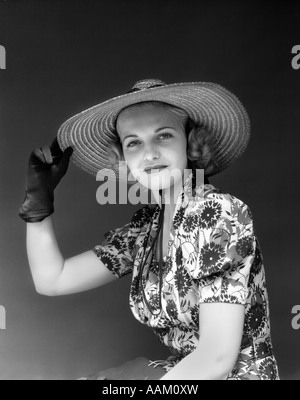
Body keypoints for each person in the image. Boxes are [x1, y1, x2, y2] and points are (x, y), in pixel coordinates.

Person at [18, 78, 279, 380]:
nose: (149, 153)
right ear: (123, 158)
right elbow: (52, 279)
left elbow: (217, 358)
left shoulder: (218, 213)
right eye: (134, 142)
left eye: (163, 136)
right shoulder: (146, 230)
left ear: (191, 143)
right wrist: (39, 205)